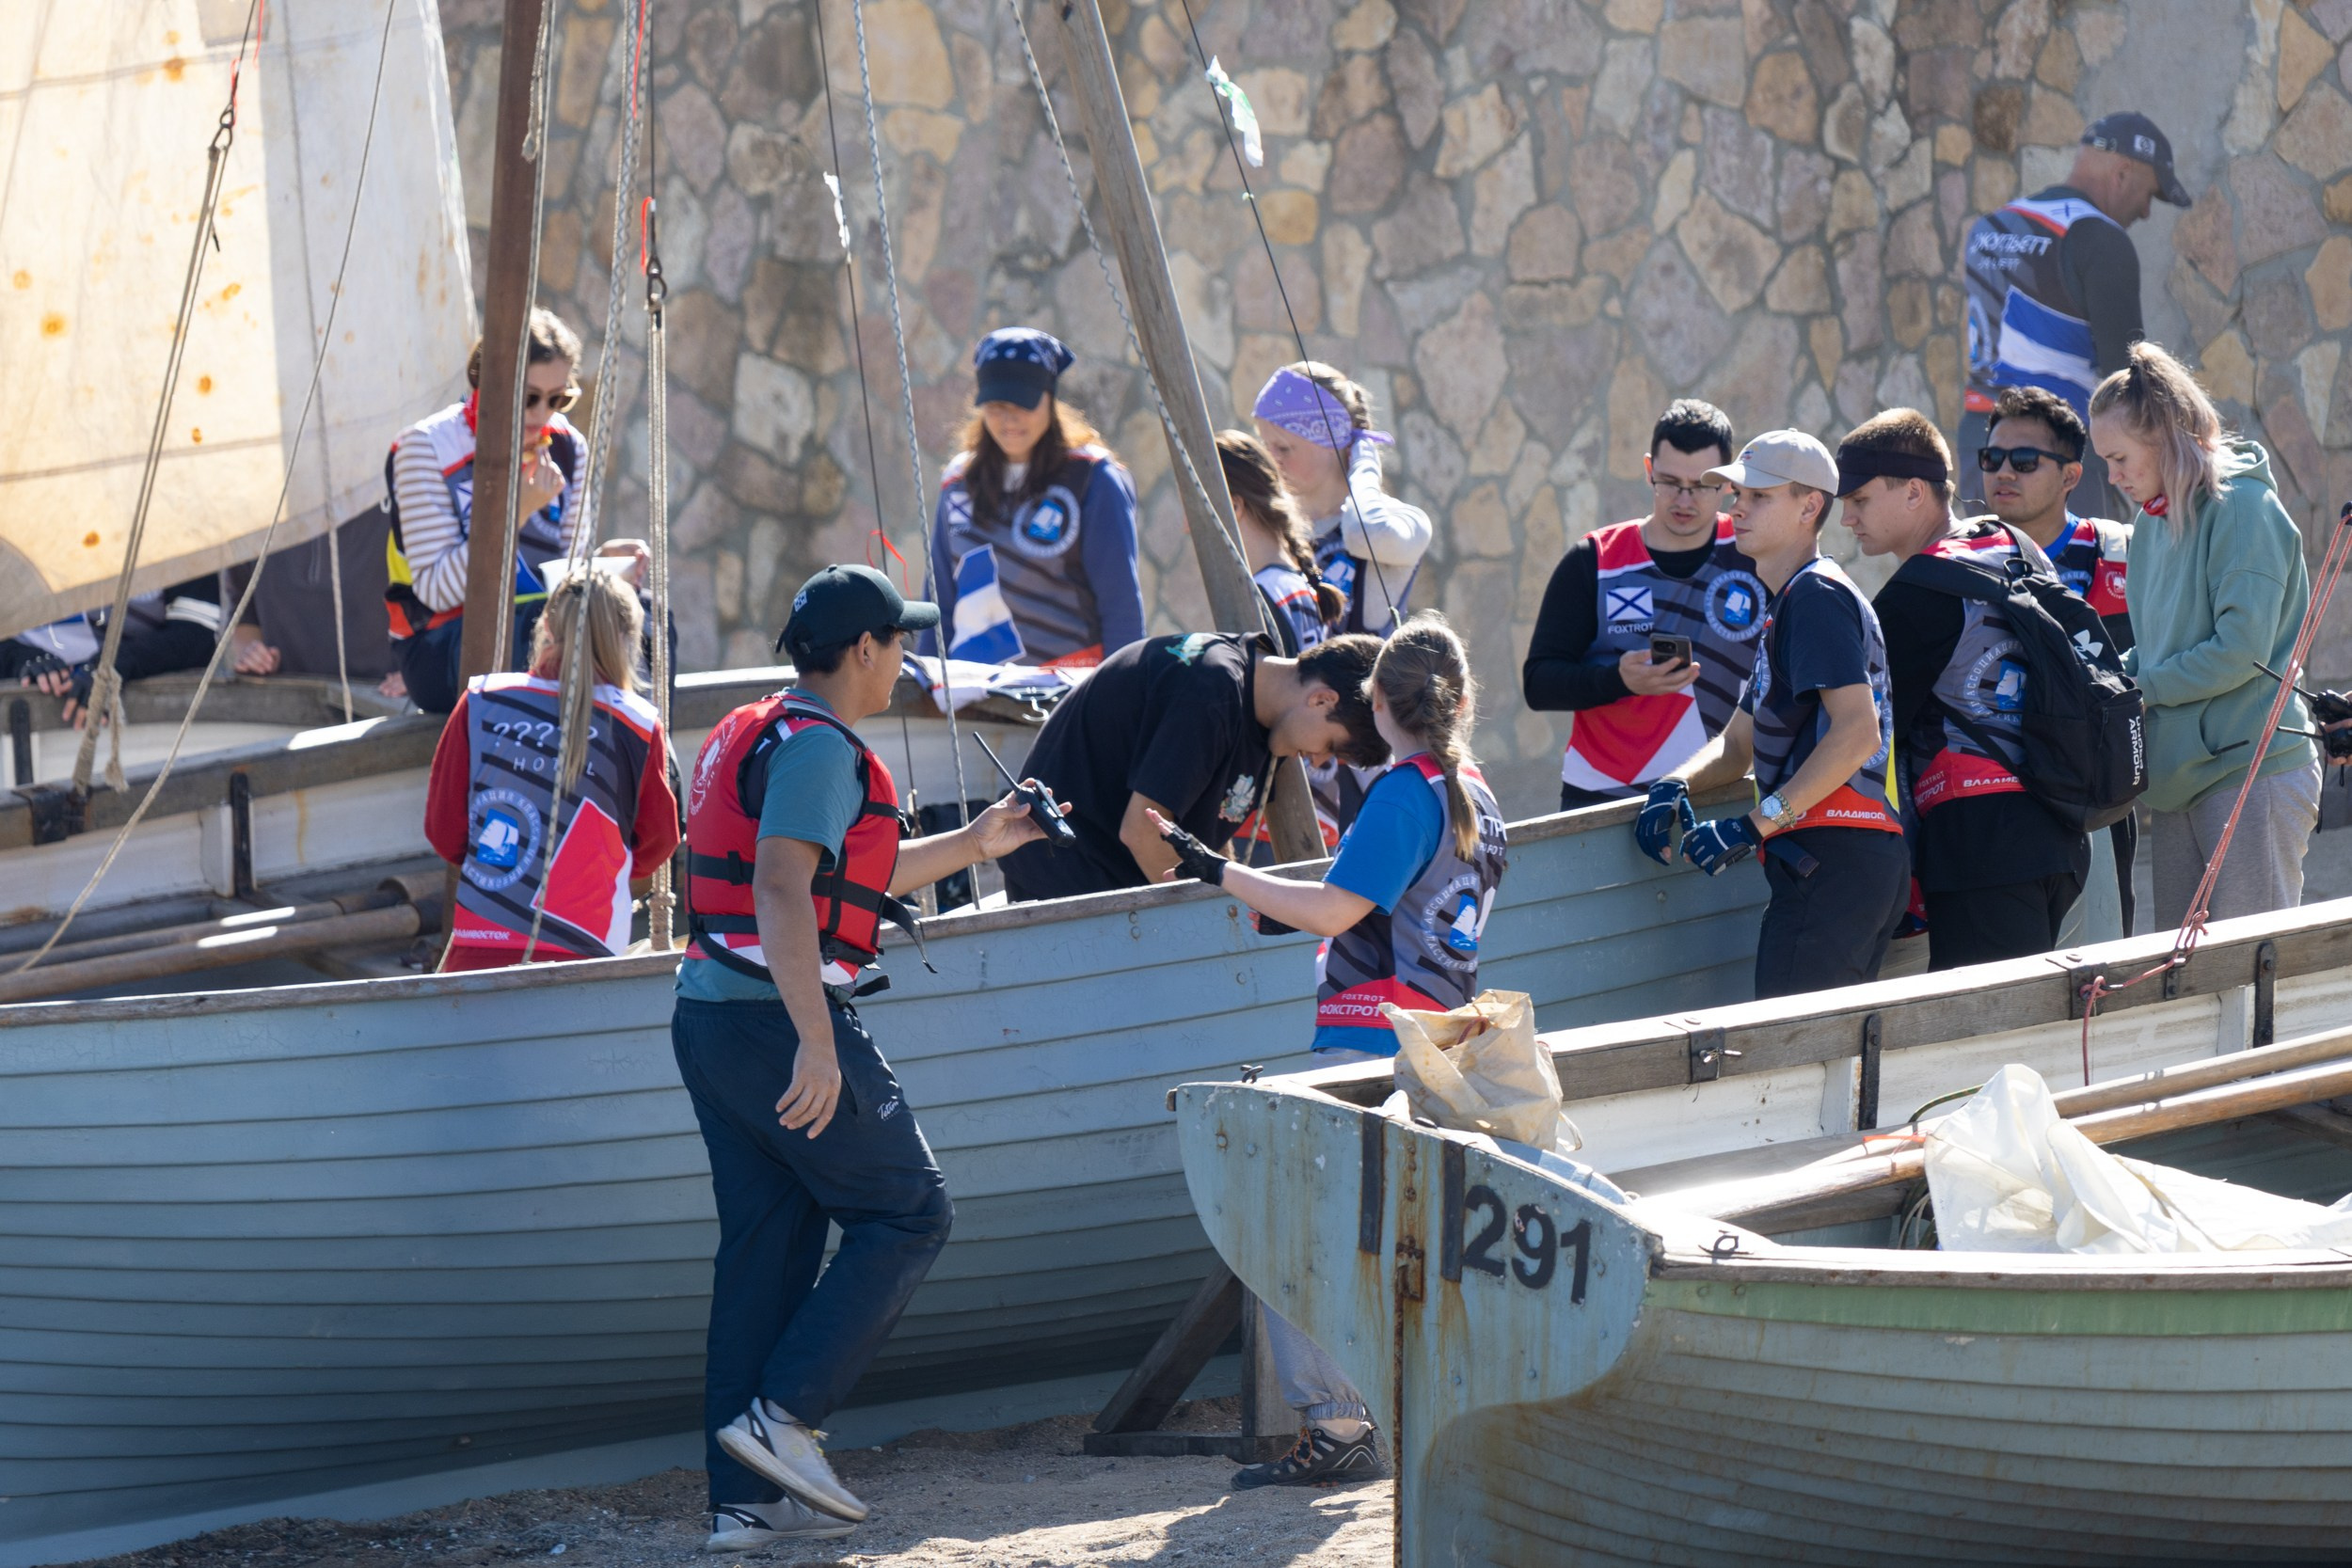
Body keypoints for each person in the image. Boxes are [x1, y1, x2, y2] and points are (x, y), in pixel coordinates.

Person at [672, 564, 1065, 1552]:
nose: (905, 660)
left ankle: (743, 1503)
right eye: (898, 642)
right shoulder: (818, 751)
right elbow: (778, 885)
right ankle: (784, 1418)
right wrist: (816, 1038)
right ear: (861, 650)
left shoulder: (765, 727)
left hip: (712, 1017)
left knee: (766, 1251)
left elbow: (856, 869)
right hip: (772, 1019)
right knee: (909, 1208)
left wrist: (978, 840)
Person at [1146, 611, 1502, 1489]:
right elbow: (1372, 898)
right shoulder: (1474, 793)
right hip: (1435, 1038)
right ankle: (1405, 1404)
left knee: (1276, 1220)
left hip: (1364, 1039)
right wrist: (1274, 897)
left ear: (1378, 701)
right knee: (1386, 1236)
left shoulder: (1404, 789)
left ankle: (1339, 1424)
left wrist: (1214, 867)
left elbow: (1340, 909)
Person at [1634, 432, 1907, 999]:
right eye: (1737, 493)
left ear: (1810, 507)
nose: (1736, 506)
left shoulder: (1816, 596)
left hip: (1835, 858)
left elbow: (1858, 734)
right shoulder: (1795, 599)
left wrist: (1754, 824)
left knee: (1796, 1069)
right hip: (1838, 860)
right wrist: (1674, 782)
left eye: (1758, 495)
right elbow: (1738, 747)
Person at [1837, 409, 2090, 970]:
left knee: (1990, 1044)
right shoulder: (2014, 546)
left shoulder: (1918, 593)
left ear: (1913, 492)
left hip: (1982, 847)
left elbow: (1857, 730)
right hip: (2060, 831)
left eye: (1859, 499)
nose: (1848, 518)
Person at [2090, 342, 2319, 926]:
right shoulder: (2150, 524)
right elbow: (2161, 647)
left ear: (2164, 435)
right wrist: (2104, 679)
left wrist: (2137, 687)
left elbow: (2238, 651)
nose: (2113, 478)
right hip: (2182, 783)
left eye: (2119, 458)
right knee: (2187, 988)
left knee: (2252, 978)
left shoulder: (2243, 507)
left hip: (2254, 771)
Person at [994, 628, 1388, 904]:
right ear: (1322, 700)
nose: (1319, 761)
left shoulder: (1266, 712)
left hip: (1119, 887)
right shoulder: (1211, 690)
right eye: (1332, 748)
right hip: (1066, 884)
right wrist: (1220, 923)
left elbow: (1204, 840)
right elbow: (1144, 833)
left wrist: (1234, 899)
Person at [422, 562, 679, 971]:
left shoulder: (481, 699)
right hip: (589, 956)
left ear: (545, 623)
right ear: (630, 638)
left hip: (478, 953)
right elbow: (656, 845)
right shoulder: (640, 724)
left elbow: (445, 832)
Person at [1522, 399, 1766, 810]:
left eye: (1701, 485)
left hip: (1720, 791)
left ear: (1727, 483)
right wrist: (1618, 680)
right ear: (1649, 469)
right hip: (1603, 796)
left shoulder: (1755, 553)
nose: (1684, 500)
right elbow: (1539, 684)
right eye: (1670, 482)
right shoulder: (1594, 559)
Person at [1960, 111, 2192, 515]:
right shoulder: (2101, 240)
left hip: (1980, 449)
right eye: (2149, 194)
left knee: (1993, 574)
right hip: (2054, 456)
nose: (2146, 213)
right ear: (2122, 173)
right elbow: (2127, 377)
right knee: (2078, 580)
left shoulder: (1988, 227)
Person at [1979, 383, 2139, 934]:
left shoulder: (2121, 551)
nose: (2004, 472)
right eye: (1992, 458)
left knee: (2103, 953)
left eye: (2024, 461)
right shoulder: (1964, 559)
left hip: (2093, 792)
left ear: (2071, 475)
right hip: (1993, 796)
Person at [386, 309, 588, 715]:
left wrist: (604, 569)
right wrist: (514, 514)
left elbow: (570, 576)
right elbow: (437, 590)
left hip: (541, 626)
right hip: (439, 642)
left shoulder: (569, 447)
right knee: (552, 629)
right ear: (490, 383)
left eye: (558, 399)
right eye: (530, 398)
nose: (543, 415)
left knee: (645, 619)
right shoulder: (425, 448)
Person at [927, 327, 1144, 670]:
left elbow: (1121, 609)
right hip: (972, 689)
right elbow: (938, 601)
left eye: (1023, 402)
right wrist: (929, 684)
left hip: (1070, 693)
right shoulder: (958, 482)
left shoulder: (1093, 480)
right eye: (997, 404)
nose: (1010, 418)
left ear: (1049, 396)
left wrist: (1122, 697)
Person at [1252, 362, 1431, 636]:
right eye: (1266, 445)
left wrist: (1364, 463)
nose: (1271, 459)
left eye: (1284, 448)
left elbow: (1363, 533)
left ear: (1331, 442)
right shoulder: (1269, 528)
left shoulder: (1404, 521)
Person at [3, 575, 227, 727]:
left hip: (152, 728)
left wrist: (112, 663)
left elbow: (196, 636)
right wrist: (18, 657)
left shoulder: (177, 527)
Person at [1220, 429, 1345, 657]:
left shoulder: (1260, 597)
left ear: (1235, 507)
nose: (1186, 527)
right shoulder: (1294, 584)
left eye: (1191, 512)